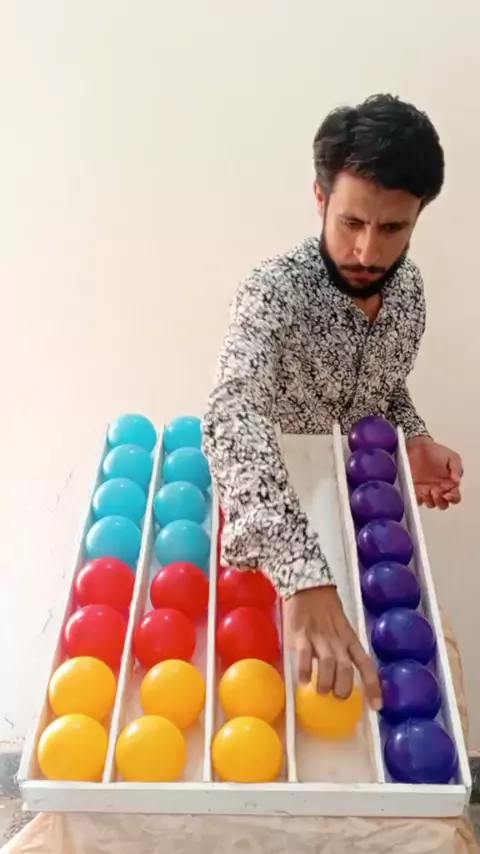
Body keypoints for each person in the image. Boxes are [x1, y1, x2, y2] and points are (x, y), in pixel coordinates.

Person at [203, 94, 463, 711]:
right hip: (271, 525)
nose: (368, 253)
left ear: (418, 216)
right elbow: (232, 413)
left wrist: (413, 435)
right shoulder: (274, 290)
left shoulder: (408, 292)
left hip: (360, 520)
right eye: (351, 223)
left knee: (420, 684)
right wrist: (301, 574)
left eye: (393, 229)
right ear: (320, 199)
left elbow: (383, 386)